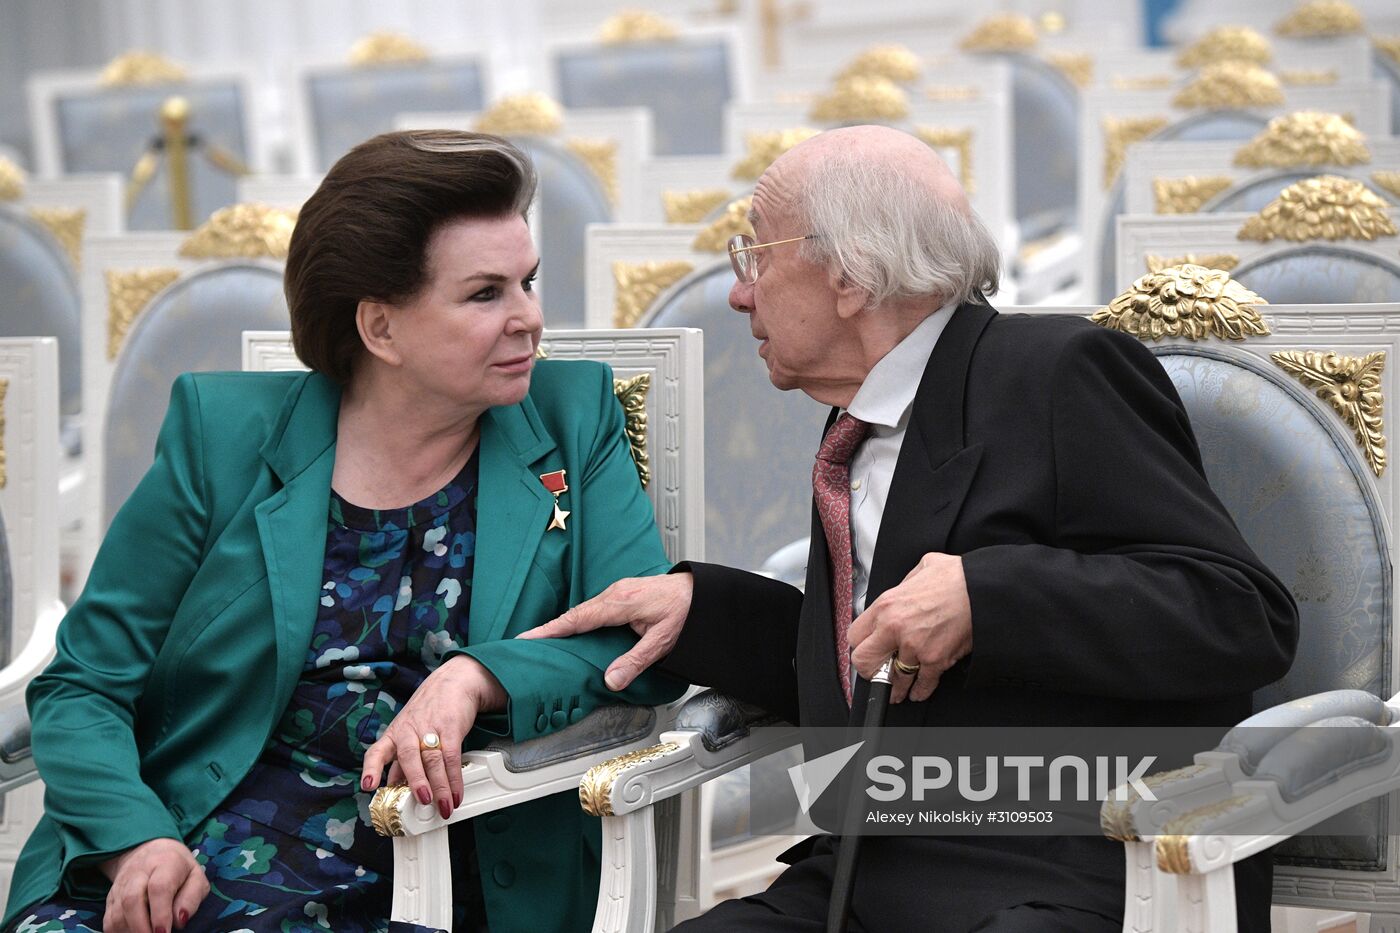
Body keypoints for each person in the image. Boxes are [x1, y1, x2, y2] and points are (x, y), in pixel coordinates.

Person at [521, 125, 1299, 932]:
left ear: (851, 275)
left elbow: (1240, 613)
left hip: (1077, 869)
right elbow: (883, 672)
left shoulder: (1061, 370)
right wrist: (703, 610)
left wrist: (984, 595)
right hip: (869, 876)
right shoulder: (854, 422)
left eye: (756, 256)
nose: (738, 293)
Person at [5, 130, 685, 933]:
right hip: (187, 852)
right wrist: (137, 839)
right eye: (485, 294)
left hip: (434, 864)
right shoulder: (220, 435)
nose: (530, 320)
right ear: (380, 328)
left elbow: (635, 642)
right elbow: (83, 682)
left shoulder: (574, 419)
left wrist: (479, 677)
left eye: (529, 282)